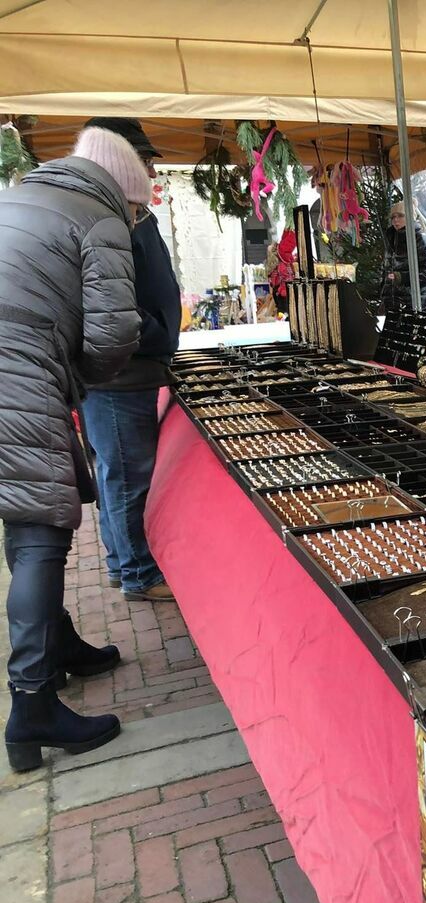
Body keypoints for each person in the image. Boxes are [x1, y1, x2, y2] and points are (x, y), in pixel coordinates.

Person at [0, 126, 146, 770]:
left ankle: (55, 646)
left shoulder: (22, 195)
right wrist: (77, 379)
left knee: (23, 518)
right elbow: (114, 335)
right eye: (138, 209)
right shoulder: (99, 217)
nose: (136, 220)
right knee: (40, 529)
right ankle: (31, 703)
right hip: (18, 371)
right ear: (123, 192)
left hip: (15, 362)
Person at [80, 117, 181, 603]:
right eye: (141, 160)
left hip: (128, 370)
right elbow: (103, 302)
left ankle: (123, 563)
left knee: (117, 473)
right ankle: (137, 572)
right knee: (126, 476)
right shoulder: (105, 218)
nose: (150, 170)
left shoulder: (124, 214)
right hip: (119, 376)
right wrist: (154, 330)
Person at [382, 201, 426, 313]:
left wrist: (401, 277)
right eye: (393, 217)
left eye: (400, 216)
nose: (395, 220)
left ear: (410, 216)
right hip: (395, 303)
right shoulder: (391, 239)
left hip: (419, 303)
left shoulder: (421, 239)